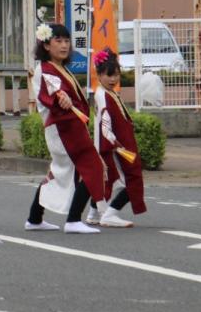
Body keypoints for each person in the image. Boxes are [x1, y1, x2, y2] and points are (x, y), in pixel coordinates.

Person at [25, 23, 107, 235]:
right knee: (93, 167)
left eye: (66, 41)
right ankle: (73, 219)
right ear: (46, 45)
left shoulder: (58, 67)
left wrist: (65, 98)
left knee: (60, 173)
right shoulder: (46, 69)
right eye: (58, 41)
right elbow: (55, 94)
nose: (64, 45)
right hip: (63, 128)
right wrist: (62, 98)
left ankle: (35, 218)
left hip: (68, 126)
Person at [92, 48, 144, 228]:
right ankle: (110, 214)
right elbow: (105, 123)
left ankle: (94, 214)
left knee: (106, 181)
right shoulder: (103, 95)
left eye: (116, 75)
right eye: (109, 75)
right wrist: (115, 144)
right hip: (114, 147)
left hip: (113, 146)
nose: (113, 79)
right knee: (131, 179)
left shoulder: (106, 93)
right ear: (99, 74)